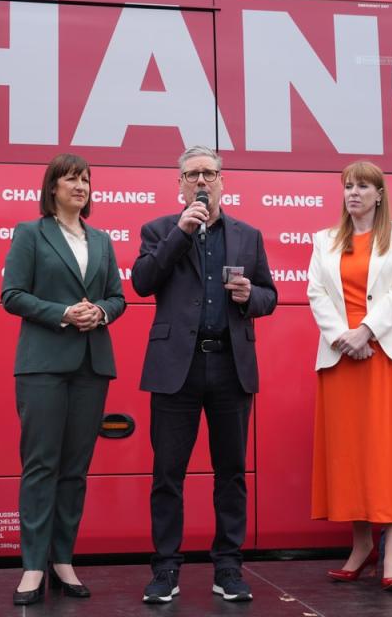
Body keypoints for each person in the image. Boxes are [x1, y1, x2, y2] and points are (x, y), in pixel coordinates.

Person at [133, 145, 277, 604]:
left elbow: (270, 297)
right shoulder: (159, 229)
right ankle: (165, 569)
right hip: (177, 366)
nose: (201, 180)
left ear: (222, 181)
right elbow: (142, 281)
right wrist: (181, 231)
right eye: (192, 173)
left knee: (231, 471)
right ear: (179, 184)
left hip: (230, 366)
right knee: (167, 473)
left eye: (209, 173)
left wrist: (248, 294)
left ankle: (229, 567)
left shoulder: (248, 235)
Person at [2, 154, 126, 606]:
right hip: (43, 366)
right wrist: (63, 313)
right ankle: (33, 566)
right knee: (41, 466)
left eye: (87, 179)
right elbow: (11, 295)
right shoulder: (30, 234)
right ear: (52, 187)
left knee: (74, 470)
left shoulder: (103, 240)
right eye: (72, 178)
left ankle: (62, 560)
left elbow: (118, 297)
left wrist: (102, 311)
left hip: (92, 365)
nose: (81, 185)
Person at [307, 160, 392, 592]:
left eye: (363, 186)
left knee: (388, 453)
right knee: (352, 455)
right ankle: (361, 546)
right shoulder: (323, 239)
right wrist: (345, 337)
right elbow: (316, 293)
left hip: (387, 355)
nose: (354, 193)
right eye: (348, 186)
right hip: (341, 357)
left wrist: (366, 332)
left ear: (380, 193)